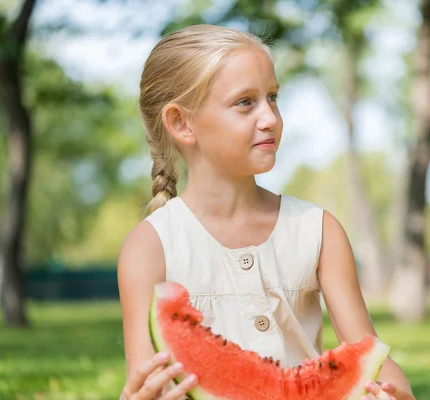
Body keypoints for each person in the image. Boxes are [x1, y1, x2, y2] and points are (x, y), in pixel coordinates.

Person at [118, 24, 414, 400]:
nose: (270, 117)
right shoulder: (150, 246)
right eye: (246, 102)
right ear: (181, 123)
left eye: (272, 97)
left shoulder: (317, 230)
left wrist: (396, 391)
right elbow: (149, 379)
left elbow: (370, 352)